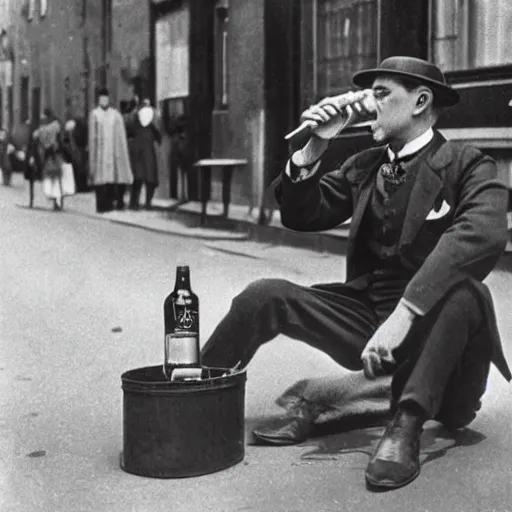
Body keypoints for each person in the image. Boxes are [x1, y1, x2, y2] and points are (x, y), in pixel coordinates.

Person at [199, 56, 512, 490]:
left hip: (445, 352)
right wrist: (314, 148)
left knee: (469, 293)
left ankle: (405, 427)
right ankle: (195, 396)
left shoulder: (468, 164)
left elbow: (484, 233)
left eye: (381, 94)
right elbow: (300, 213)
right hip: (370, 328)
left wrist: (404, 316)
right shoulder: (366, 164)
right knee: (263, 294)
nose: (368, 104)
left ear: (421, 101)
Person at [88, 88, 133, 212]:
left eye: (105, 97)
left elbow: (121, 138)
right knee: (101, 179)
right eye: (101, 97)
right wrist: (92, 160)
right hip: (100, 154)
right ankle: (102, 205)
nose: (103, 100)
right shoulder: (95, 114)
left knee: (113, 178)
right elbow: (92, 138)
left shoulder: (115, 114)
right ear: (98, 99)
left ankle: (114, 203)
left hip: (113, 153)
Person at [125, 97, 161, 210]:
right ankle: (148, 203)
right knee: (150, 178)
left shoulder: (133, 118)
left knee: (137, 179)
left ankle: (133, 203)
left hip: (136, 151)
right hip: (148, 151)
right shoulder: (152, 120)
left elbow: (128, 130)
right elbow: (159, 135)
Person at [35, 108, 65, 210]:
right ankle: (58, 201)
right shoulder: (57, 126)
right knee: (58, 179)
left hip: (50, 156)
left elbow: (38, 138)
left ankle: (56, 201)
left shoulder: (44, 128)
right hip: (57, 155)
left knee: (52, 179)